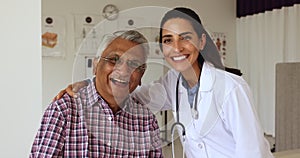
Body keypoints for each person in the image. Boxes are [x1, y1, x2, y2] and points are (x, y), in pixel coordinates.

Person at [55, 7, 273, 158]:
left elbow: (253, 152)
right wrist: (90, 85)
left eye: (185, 38)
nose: (176, 48)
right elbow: (129, 95)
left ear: (202, 40)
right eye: (168, 40)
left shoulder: (231, 88)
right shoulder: (173, 83)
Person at [30, 30, 163, 157]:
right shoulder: (64, 110)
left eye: (134, 64)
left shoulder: (147, 121)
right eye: (114, 60)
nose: (123, 71)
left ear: (141, 75)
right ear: (95, 66)